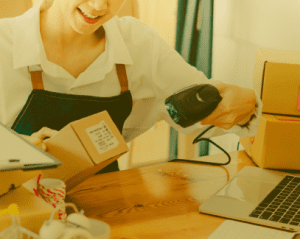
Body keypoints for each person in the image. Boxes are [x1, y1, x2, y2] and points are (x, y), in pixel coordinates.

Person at [0, 0, 262, 174]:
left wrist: (243, 104)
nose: (99, 5)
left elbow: (202, 111)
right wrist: (13, 150)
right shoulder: (4, 42)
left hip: (107, 202)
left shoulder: (139, 44)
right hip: (17, 210)